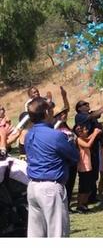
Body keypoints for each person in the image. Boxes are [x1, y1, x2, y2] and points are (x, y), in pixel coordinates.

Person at [24, 97, 79, 237]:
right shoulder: (56, 135)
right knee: (57, 234)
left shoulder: (29, 134)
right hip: (50, 187)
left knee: (36, 235)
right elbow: (74, 157)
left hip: (33, 186)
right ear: (47, 112)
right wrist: (71, 142)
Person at [74, 99, 103, 203]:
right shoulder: (79, 116)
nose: (87, 105)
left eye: (87, 104)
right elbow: (93, 115)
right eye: (84, 104)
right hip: (86, 146)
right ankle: (84, 199)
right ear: (79, 108)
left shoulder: (91, 114)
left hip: (94, 146)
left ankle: (92, 195)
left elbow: (96, 114)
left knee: (94, 172)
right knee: (87, 172)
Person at [52, 104, 77, 207]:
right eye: (62, 114)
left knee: (71, 182)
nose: (65, 115)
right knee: (64, 184)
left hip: (71, 158)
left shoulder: (66, 126)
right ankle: (62, 205)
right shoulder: (55, 128)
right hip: (62, 160)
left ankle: (68, 205)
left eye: (65, 113)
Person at [75, 124, 102, 213]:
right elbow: (88, 144)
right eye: (84, 130)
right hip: (83, 168)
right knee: (83, 188)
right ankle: (80, 205)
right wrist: (94, 134)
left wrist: (95, 133)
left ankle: (84, 204)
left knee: (88, 187)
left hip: (88, 166)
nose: (86, 131)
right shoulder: (78, 140)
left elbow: (88, 139)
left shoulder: (83, 139)